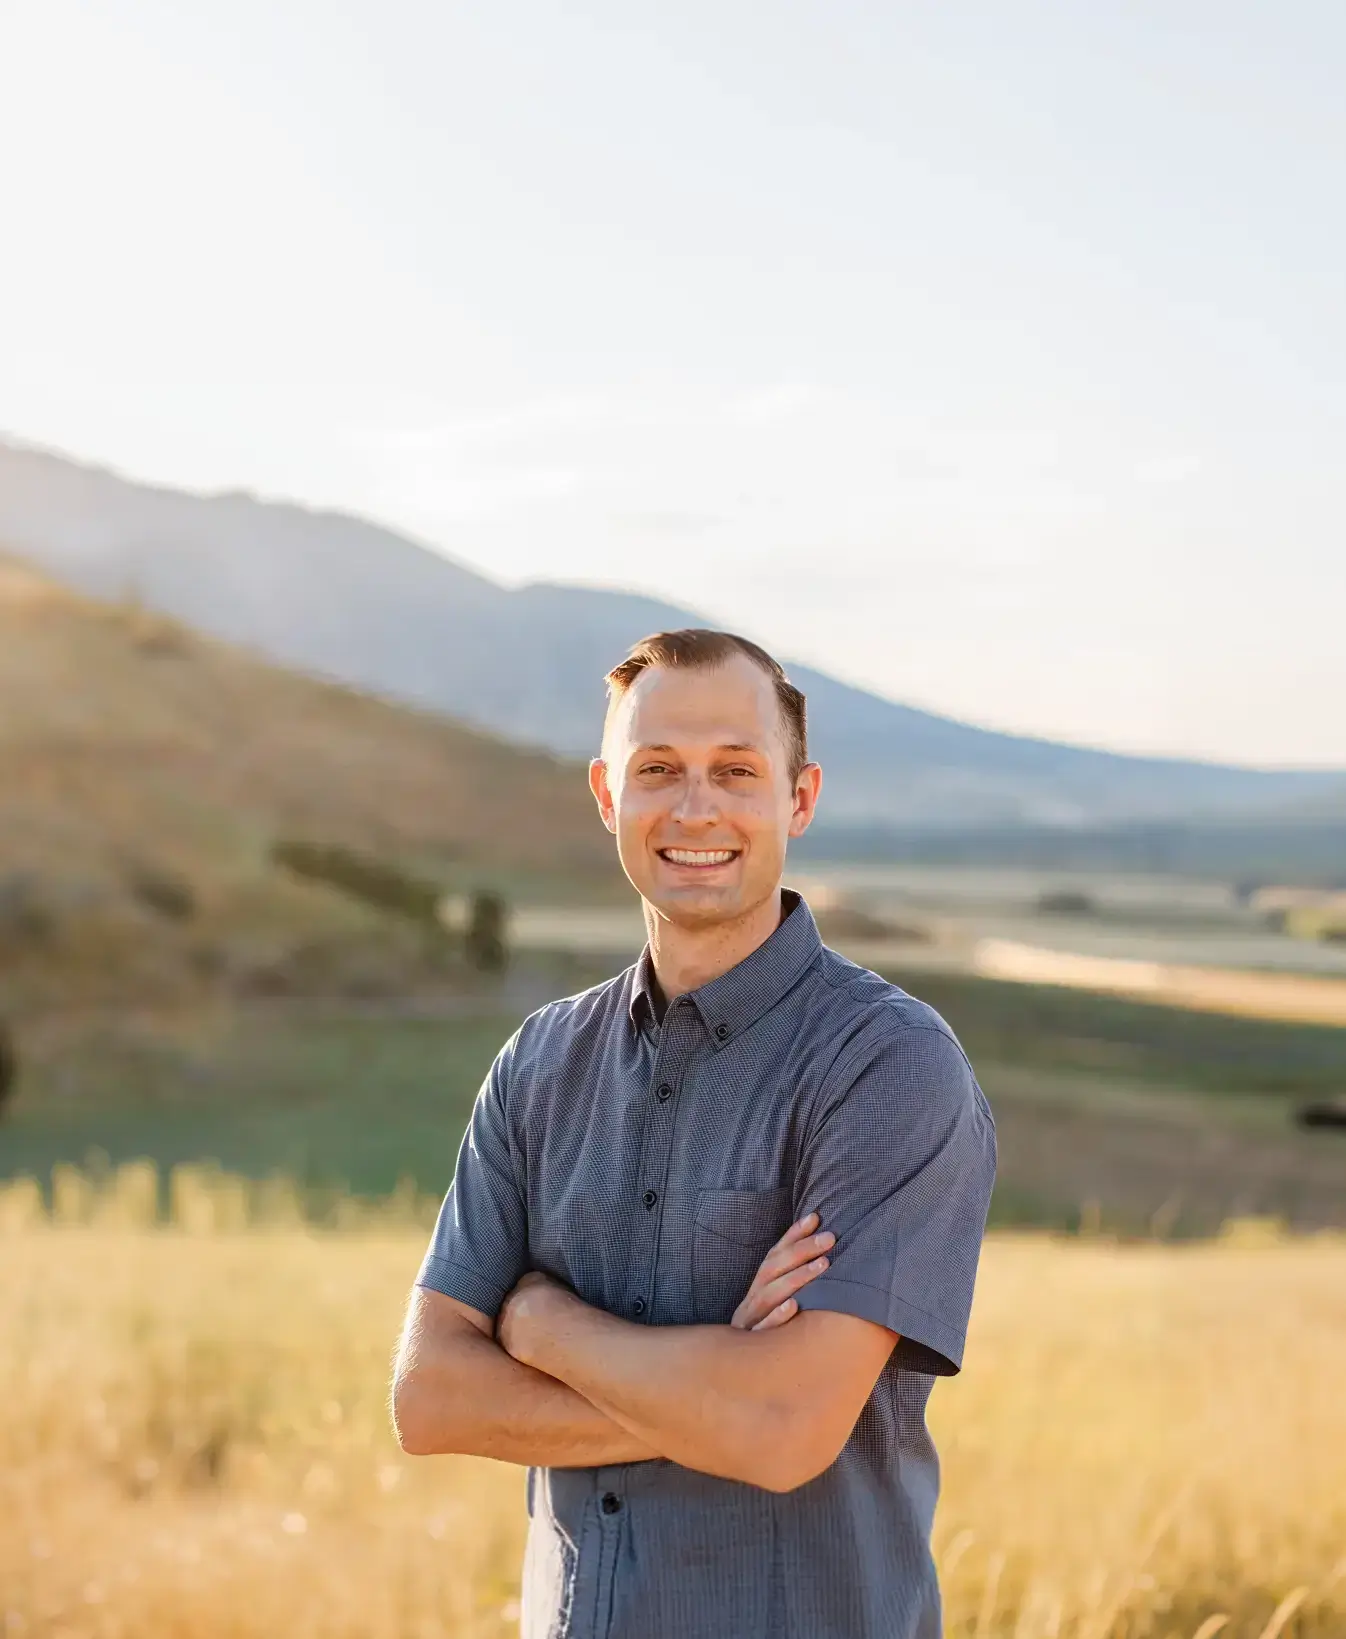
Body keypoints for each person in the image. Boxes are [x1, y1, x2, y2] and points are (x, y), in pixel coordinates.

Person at [392, 629, 996, 1639]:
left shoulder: (887, 1065)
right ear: (605, 796)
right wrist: (717, 1384)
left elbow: (785, 1427)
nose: (695, 807)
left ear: (797, 799)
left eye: (735, 771)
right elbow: (430, 1399)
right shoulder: (539, 1066)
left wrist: (543, 1331)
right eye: (658, 769)